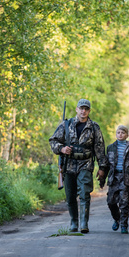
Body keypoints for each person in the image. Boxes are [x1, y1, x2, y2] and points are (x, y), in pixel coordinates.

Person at [49, 99, 109, 233]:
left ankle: (84, 223)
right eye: (81, 108)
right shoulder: (66, 124)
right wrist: (62, 149)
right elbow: (53, 140)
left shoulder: (94, 127)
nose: (83, 111)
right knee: (70, 196)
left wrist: (102, 167)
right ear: (76, 109)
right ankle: (74, 222)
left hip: (86, 164)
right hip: (68, 164)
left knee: (84, 193)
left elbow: (99, 148)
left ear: (89, 111)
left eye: (86, 109)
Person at [105, 125, 129, 234]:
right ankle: (117, 219)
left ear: (127, 135)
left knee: (124, 203)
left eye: (123, 133)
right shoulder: (110, 148)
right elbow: (105, 165)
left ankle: (124, 225)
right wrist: (102, 180)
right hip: (113, 179)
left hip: (125, 179)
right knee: (111, 202)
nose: (120, 134)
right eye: (118, 132)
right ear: (116, 134)